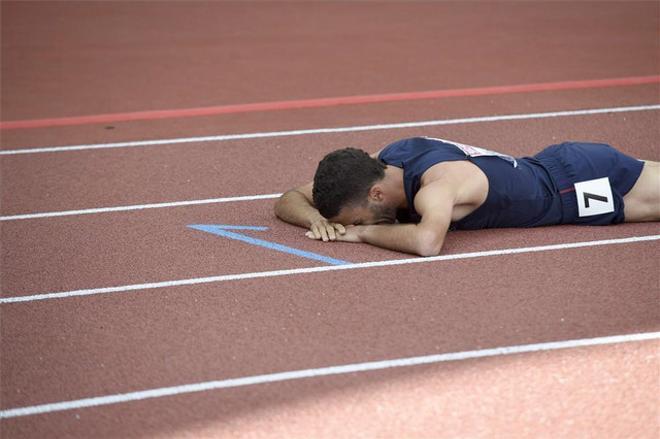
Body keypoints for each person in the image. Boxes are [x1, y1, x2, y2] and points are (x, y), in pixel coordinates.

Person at [274, 137, 660, 256]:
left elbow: (427, 242)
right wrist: (317, 220)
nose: (356, 225)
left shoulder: (438, 185)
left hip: (580, 184)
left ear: (376, 193)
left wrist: (362, 235)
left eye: (357, 218)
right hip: (562, 174)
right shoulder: (383, 162)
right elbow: (289, 196)